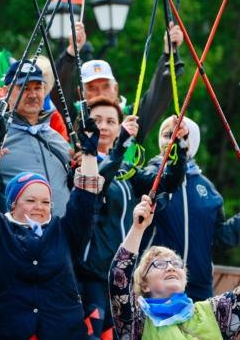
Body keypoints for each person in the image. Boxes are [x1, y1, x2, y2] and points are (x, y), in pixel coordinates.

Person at [0, 115, 103, 340]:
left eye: (45, 202)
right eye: (30, 200)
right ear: (12, 205)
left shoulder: (64, 231)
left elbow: (86, 203)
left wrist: (90, 154)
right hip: (4, 332)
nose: (39, 207)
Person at [74, 98, 188, 340]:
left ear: (119, 129)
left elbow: (167, 183)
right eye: (97, 121)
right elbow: (96, 186)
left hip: (120, 279)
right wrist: (119, 147)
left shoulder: (127, 170)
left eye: (111, 121)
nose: (103, 126)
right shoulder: (79, 163)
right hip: (89, 277)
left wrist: (179, 148)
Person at [109, 194, 240, 340]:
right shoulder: (136, 322)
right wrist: (138, 228)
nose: (171, 267)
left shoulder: (214, 313)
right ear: (144, 284)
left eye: (176, 264)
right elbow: (119, 277)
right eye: (159, 264)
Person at [140, 116, 240, 302]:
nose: (172, 141)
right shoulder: (148, 178)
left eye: (180, 136)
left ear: (191, 142)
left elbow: (217, 240)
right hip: (156, 284)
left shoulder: (209, 190)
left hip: (199, 288)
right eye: (167, 135)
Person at [53, 21, 185, 144]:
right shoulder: (71, 116)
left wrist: (170, 54)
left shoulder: (132, 118)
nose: (100, 93)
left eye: (105, 87)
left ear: (115, 88)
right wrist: (71, 52)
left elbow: (158, 96)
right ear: (80, 93)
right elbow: (58, 89)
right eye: (92, 88)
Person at [0, 60, 72, 216]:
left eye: (38, 87)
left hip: (59, 236)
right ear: (6, 91)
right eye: (24, 88)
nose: (33, 94)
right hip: (11, 236)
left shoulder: (57, 139)